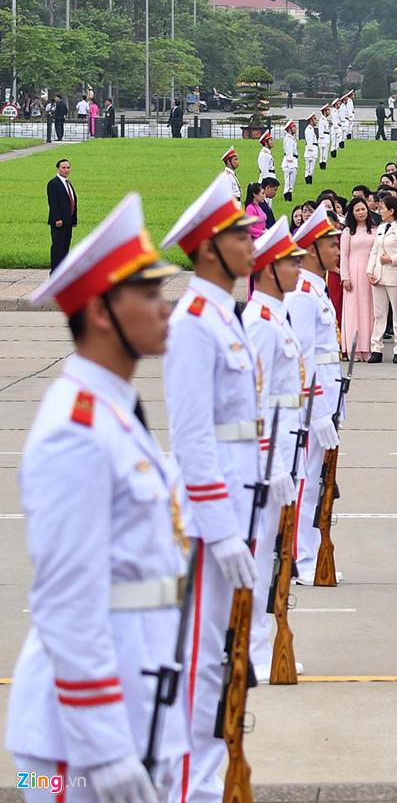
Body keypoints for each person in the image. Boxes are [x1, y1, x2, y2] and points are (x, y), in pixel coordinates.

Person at [9, 194, 187, 803]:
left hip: (131, 702)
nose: (166, 308)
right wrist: (104, 750)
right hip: (71, 742)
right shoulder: (74, 431)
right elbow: (64, 601)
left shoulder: (114, 411)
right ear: (104, 311)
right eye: (150, 295)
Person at [160, 172, 265, 803]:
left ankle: (205, 782)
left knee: (222, 662)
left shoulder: (225, 315)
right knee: (201, 664)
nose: (251, 240)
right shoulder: (197, 321)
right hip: (209, 524)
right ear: (207, 248)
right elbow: (193, 437)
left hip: (233, 508)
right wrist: (221, 528)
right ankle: (191, 790)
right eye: (238, 233)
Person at [241, 220, 305, 681]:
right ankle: (254, 650)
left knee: (270, 558)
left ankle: (260, 645)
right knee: (261, 559)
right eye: (291, 262)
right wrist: (272, 462)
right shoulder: (260, 324)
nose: (299, 268)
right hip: (267, 459)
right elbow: (257, 401)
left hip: (282, 449)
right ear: (268, 270)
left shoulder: (275, 316)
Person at [286, 204, 345, 586]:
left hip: (326, 403)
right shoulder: (303, 295)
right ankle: (302, 559)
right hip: (311, 409)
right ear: (311, 249)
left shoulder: (318, 292)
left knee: (318, 486)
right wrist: (319, 411)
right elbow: (302, 361)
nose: (339, 250)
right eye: (332, 244)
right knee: (306, 486)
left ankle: (308, 555)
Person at [367, 194, 397, 364]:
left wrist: (392, 259)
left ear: (391, 210)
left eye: (383, 207)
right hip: (379, 275)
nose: (380, 209)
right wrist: (369, 270)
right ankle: (376, 348)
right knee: (379, 314)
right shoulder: (380, 227)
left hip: (395, 275)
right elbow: (374, 251)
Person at [340, 197, 377, 360]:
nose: (361, 212)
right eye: (357, 210)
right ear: (352, 213)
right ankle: (353, 349)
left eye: (363, 209)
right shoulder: (348, 232)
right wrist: (345, 276)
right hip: (353, 273)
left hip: (370, 273)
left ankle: (368, 347)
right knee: (353, 310)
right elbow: (343, 256)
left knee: (369, 310)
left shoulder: (374, 230)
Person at [46, 158, 78, 273]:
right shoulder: (53, 183)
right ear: (58, 169)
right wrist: (57, 218)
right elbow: (53, 203)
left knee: (66, 246)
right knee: (57, 247)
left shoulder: (68, 183)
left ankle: (63, 272)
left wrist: (73, 219)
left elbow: (72, 201)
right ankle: (55, 272)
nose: (66, 170)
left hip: (68, 222)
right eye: (63, 168)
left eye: (68, 167)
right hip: (59, 222)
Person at [303, 113, 320, 186]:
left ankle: (309, 183)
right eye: (315, 119)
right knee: (309, 169)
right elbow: (309, 142)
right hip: (311, 150)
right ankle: (308, 183)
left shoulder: (311, 129)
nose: (316, 121)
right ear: (311, 121)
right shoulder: (309, 129)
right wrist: (310, 153)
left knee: (311, 169)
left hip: (313, 150)